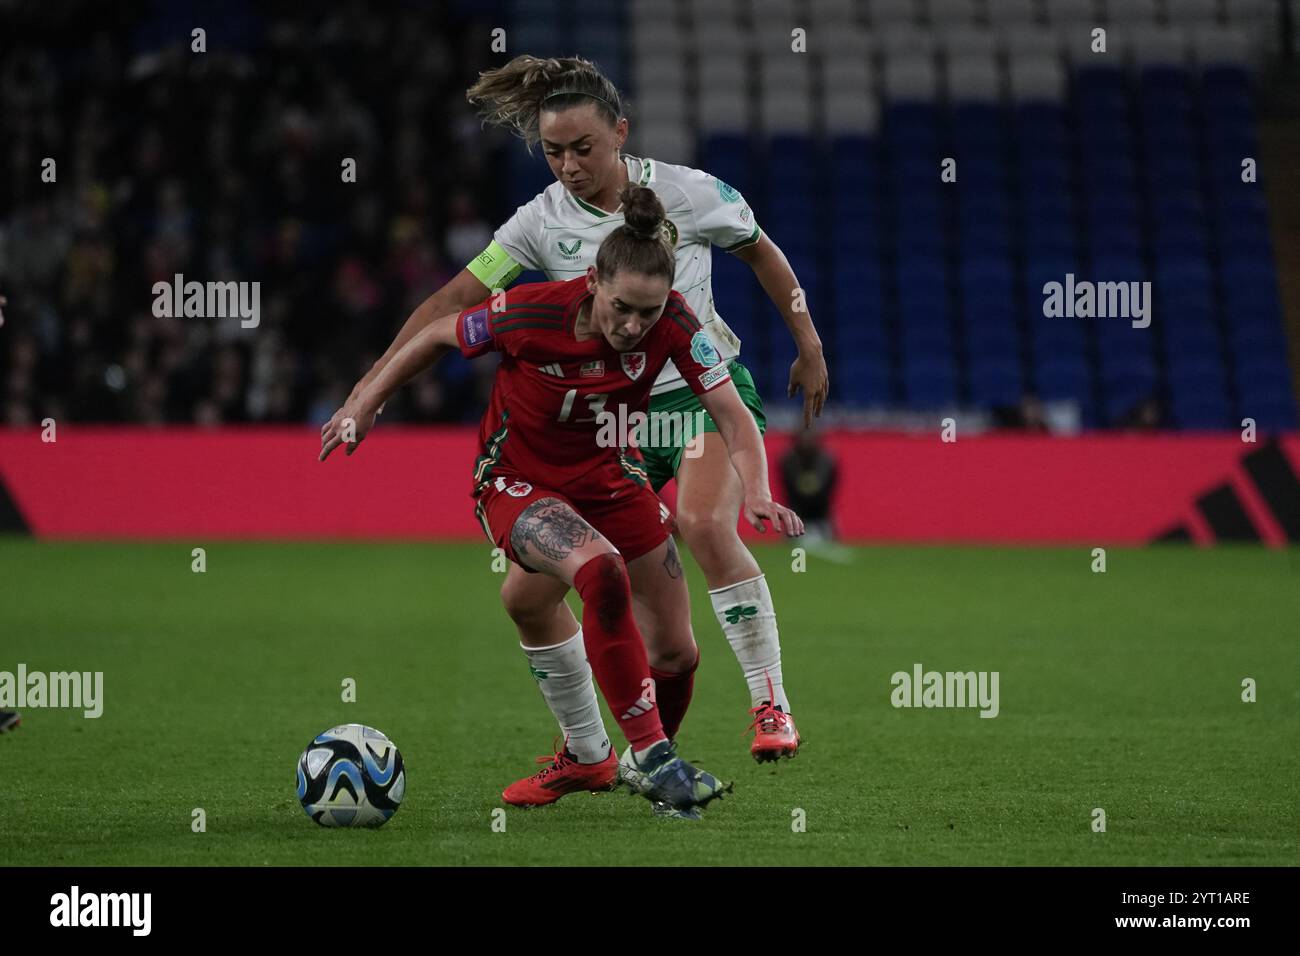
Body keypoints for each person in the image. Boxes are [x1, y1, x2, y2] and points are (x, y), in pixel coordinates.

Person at [329, 56, 827, 778]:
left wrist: (807, 344)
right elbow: (448, 307)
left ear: (620, 134)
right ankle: (591, 754)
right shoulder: (540, 222)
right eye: (553, 151)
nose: (568, 165)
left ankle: (770, 704)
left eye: (583, 148)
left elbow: (764, 255)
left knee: (705, 522)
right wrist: (364, 390)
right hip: (607, 424)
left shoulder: (687, 193)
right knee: (527, 594)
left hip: (696, 394)